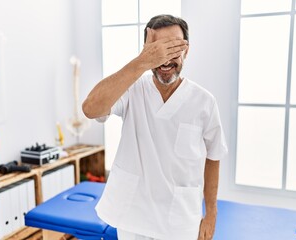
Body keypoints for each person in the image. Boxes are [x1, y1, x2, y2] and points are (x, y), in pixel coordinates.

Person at [83, 14, 228, 240]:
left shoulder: (204, 102)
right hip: (133, 215)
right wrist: (141, 62)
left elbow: (214, 156)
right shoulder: (132, 89)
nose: (166, 59)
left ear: (186, 50)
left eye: (174, 48)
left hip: (179, 219)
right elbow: (91, 108)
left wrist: (211, 214)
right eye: (159, 50)